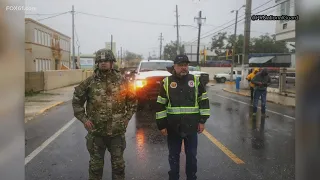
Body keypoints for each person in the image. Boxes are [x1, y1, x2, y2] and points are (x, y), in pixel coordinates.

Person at [72, 49, 137, 180]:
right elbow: (77, 102)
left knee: (118, 167)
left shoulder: (122, 81)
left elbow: (133, 100)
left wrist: (126, 118)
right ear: (97, 63)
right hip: (96, 134)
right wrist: (84, 120)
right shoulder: (90, 82)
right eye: (100, 61)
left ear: (112, 63)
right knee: (95, 169)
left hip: (116, 134)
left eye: (106, 60)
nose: (103, 63)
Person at [155, 55, 210, 180]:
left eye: (185, 65)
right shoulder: (167, 82)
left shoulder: (195, 80)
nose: (183, 68)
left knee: (191, 156)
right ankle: (173, 177)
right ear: (174, 66)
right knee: (173, 156)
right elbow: (160, 104)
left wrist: (202, 121)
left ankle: (191, 177)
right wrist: (162, 125)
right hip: (173, 127)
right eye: (180, 65)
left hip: (191, 126)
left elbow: (204, 101)